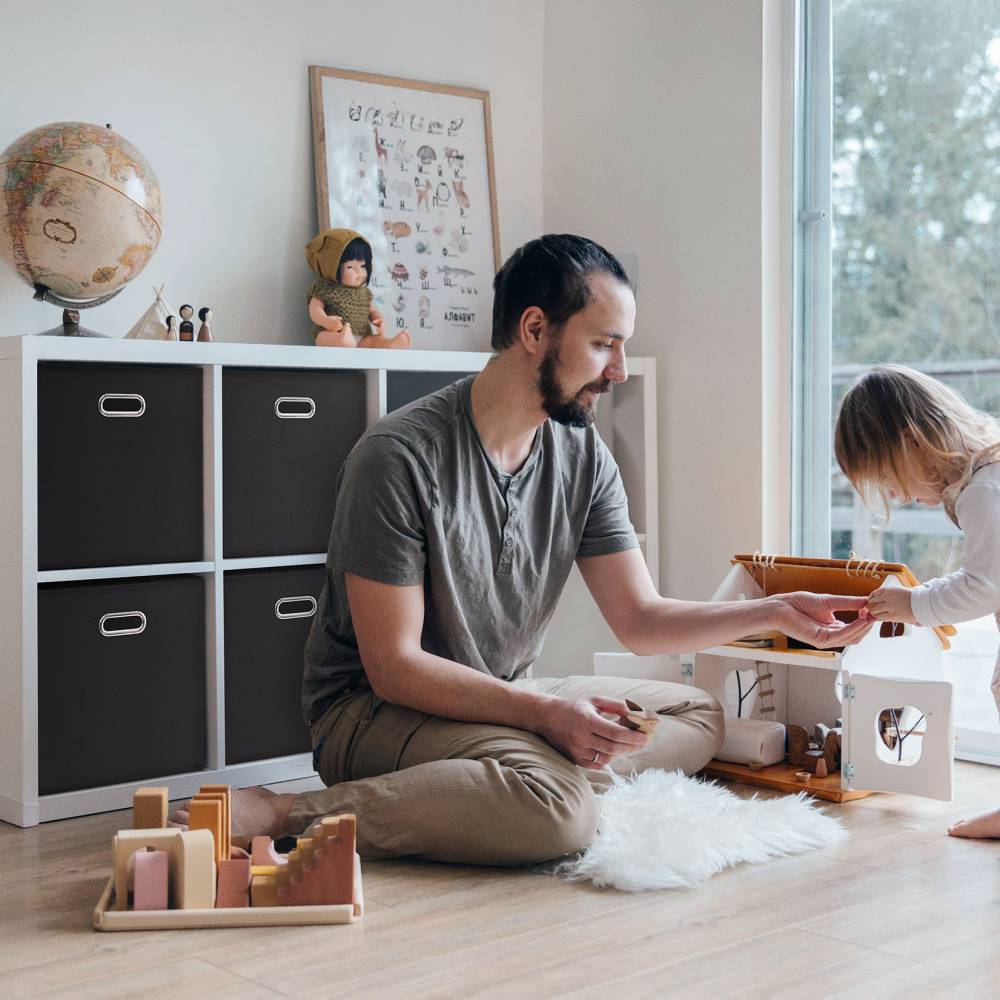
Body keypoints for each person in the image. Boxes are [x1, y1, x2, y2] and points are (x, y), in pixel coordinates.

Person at [174, 234, 871, 863]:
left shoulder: (584, 456)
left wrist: (775, 612)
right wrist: (545, 717)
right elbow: (394, 668)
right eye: (604, 344)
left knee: (697, 715)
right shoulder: (397, 457)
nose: (620, 370)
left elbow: (640, 620)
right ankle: (291, 811)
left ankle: (513, 773)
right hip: (374, 714)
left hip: (503, 698)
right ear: (535, 329)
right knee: (560, 817)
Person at [835, 363, 1000, 838]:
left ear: (912, 442)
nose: (896, 495)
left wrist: (914, 605)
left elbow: (985, 586)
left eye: (890, 479)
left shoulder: (984, 489)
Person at [305, 227, 411, 349]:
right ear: (330, 267)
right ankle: (342, 340)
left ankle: (390, 344)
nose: (359, 272)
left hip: (363, 338)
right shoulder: (323, 289)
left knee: (375, 341)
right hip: (334, 333)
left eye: (363, 266)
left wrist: (378, 319)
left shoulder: (364, 293)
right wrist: (325, 321)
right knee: (323, 337)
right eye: (350, 267)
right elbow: (315, 310)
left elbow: (372, 310)